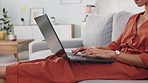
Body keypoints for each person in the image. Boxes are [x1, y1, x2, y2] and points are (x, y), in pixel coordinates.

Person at [1, 0, 148, 83]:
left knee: (68, 65)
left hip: (133, 67)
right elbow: (115, 45)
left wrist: (112, 54)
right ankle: (7, 72)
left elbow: (145, 61)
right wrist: (93, 49)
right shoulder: (133, 18)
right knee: (57, 57)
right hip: (117, 59)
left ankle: (4, 72)